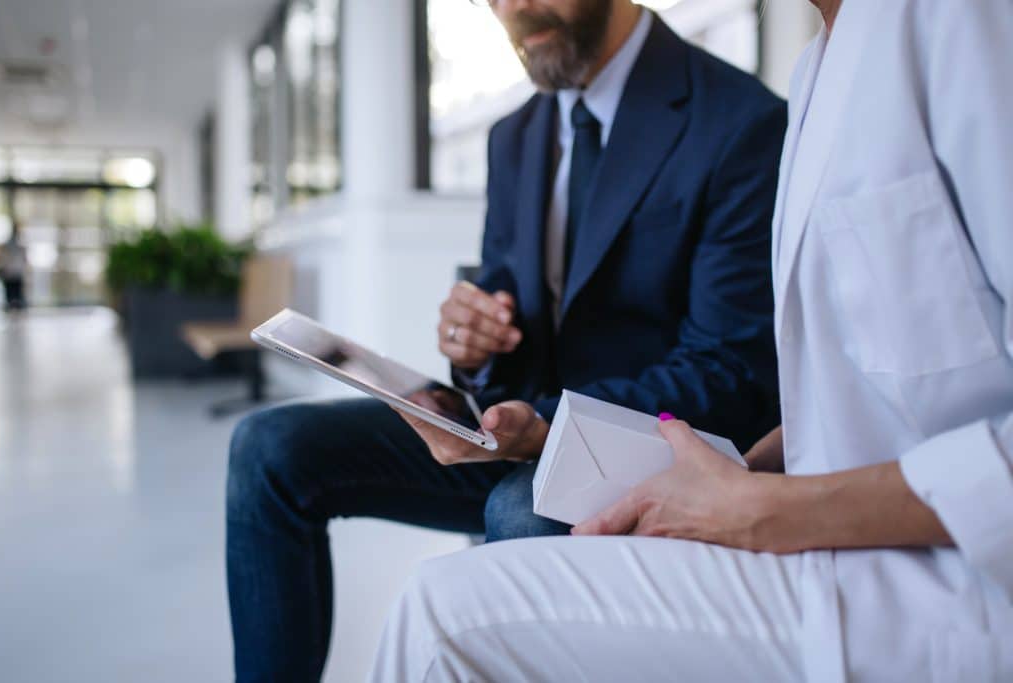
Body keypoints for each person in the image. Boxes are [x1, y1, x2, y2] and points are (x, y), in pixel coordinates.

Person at [370, 1, 1013, 680]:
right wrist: (754, 468)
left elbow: (732, 364)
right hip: (836, 542)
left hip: (951, 584)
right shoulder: (824, 67)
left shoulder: (965, 24)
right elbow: (873, 389)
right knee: (284, 453)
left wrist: (767, 509)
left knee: (443, 617)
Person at [226, 0, 785, 679]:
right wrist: (474, 350)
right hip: (522, 436)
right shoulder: (515, 136)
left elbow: (730, 373)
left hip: (652, 448)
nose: (513, 7)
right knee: (267, 450)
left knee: (520, 509)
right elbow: (505, 325)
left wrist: (549, 424)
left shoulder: (738, 121)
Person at [0, 227, 27, 311]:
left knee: (11, 297)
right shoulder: (19, 246)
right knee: (16, 297)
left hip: (11, 273)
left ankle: (13, 311)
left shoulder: (9, 246)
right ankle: (15, 312)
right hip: (15, 273)